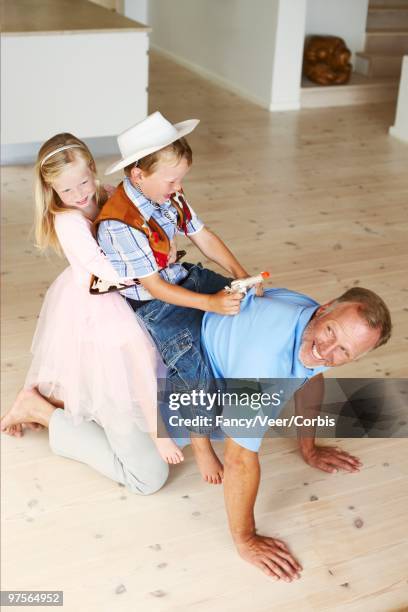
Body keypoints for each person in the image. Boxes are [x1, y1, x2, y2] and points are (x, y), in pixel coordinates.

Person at [1, 132, 184, 495]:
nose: (80, 195)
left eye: (84, 182)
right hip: (104, 299)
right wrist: (152, 267)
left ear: (93, 171)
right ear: (52, 191)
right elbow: (105, 269)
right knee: (140, 355)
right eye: (67, 191)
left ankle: (82, 407)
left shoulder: (104, 193)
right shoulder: (68, 221)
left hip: (132, 287)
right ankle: (45, 411)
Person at [96, 111, 254, 485]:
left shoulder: (168, 192)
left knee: (248, 303)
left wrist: (239, 273)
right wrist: (211, 303)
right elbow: (155, 289)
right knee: (193, 366)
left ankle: (246, 393)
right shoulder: (119, 223)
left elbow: (202, 235)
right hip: (156, 305)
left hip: (182, 277)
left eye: (181, 178)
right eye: (172, 179)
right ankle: (201, 446)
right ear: (138, 175)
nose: (178, 185)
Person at [199, 285, 392, 581]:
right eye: (331, 333)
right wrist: (246, 538)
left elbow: (310, 377)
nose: (326, 350)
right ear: (325, 308)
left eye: (344, 351)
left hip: (220, 328)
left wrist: (309, 448)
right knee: (146, 477)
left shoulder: (313, 321)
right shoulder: (263, 365)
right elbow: (238, 460)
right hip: (173, 365)